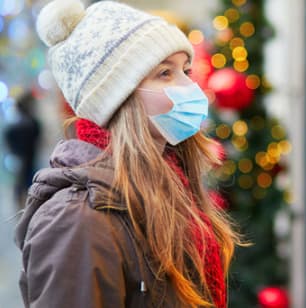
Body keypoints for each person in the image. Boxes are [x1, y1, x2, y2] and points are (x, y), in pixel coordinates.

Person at [14, 0, 241, 307]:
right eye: (164, 73)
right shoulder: (78, 221)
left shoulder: (169, 185)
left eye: (185, 70)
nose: (190, 86)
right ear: (117, 97)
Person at [4, 91, 41, 209]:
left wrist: (13, 150)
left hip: (18, 158)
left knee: (19, 184)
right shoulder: (32, 123)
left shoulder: (15, 124)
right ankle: (28, 207)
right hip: (28, 158)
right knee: (29, 183)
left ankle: (21, 207)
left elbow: (8, 138)